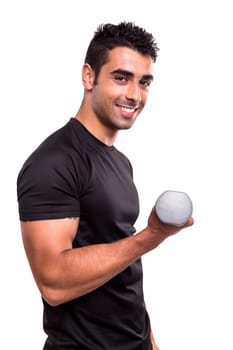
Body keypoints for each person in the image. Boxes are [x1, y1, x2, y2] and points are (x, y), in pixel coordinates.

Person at [17, 22, 194, 350]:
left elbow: (125, 270)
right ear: (88, 77)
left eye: (144, 82)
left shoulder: (120, 162)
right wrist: (151, 236)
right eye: (121, 78)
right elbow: (52, 282)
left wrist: (150, 342)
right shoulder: (54, 162)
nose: (135, 95)